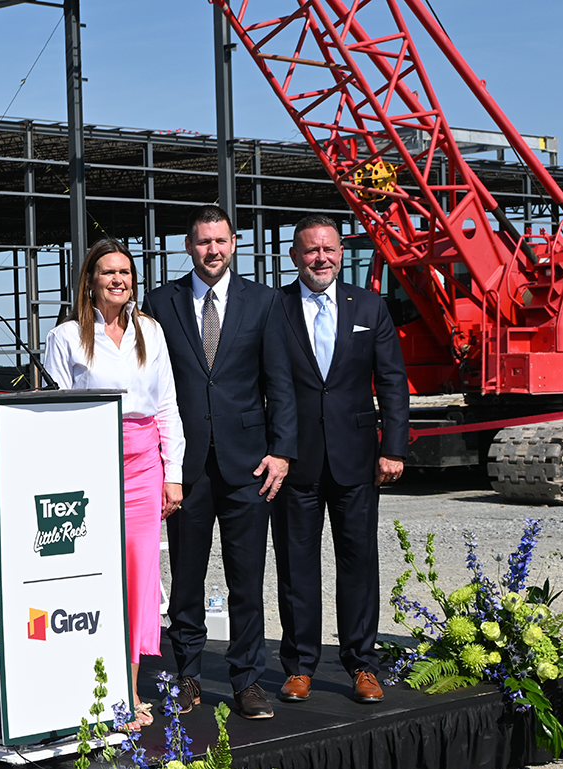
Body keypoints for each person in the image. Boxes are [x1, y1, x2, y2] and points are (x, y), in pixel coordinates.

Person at [142, 205, 297, 720]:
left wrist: (281, 451)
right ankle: (187, 675)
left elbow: (280, 381)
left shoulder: (264, 302)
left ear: (234, 245)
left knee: (245, 580)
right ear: (188, 246)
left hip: (248, 463)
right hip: (184, 464)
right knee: (185, 578)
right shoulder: (161, 302)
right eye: (203, 241)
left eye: (221, 241)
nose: (213, 250)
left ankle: (247, 680)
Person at [44, 239, 185, 728]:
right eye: (108, 273)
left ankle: (126, 691)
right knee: (94, 577)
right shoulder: (65, 336)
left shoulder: (150, 331)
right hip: (90, 465)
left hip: (145, 466)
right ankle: (88, 687)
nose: (118, 280)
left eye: (125, 272)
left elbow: (166, 405)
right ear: (91, 280)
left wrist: (175, 475)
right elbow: (56, 413)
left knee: (138, 577)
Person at [271, 215, 408, 704]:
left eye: (329, 249)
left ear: (341, 253)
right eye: (310, 250)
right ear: (294, 256)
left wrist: (393, 447)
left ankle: (361, 664)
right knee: (296, 566)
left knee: (357, 563)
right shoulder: (276, 307)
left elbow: (392, 379)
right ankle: (300, 665)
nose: (321, 258)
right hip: (295, 461)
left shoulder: (369, 305)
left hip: (356, 459)